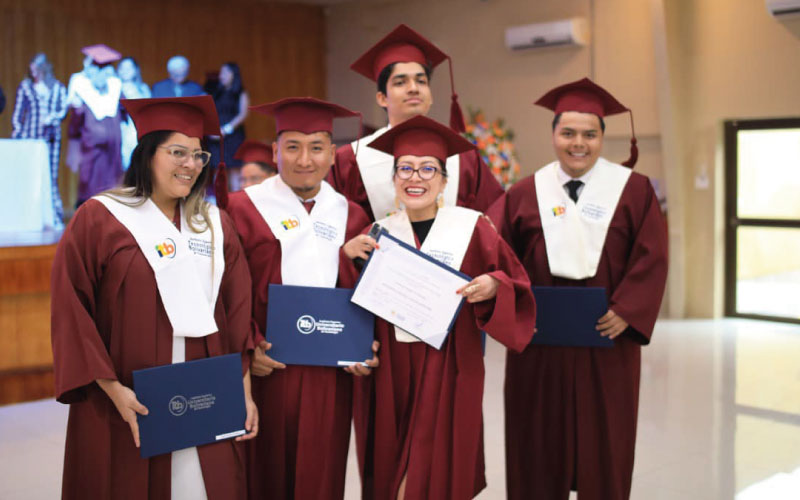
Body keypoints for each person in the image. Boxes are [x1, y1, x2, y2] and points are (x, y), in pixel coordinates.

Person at [51, 95, 258, 499]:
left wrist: (244, 393)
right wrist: (112, 389)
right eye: (177, 152)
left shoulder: (215, 225)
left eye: (198, 155)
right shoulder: (100, 218)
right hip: (128, 400)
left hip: (205, 399)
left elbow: (237, 313)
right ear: (147, 154)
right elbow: (71, 309)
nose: (190, 165)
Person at [488, 78, 668, 500]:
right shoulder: (524, 192)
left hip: (607, 338)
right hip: (539, 342)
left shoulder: (634, 190)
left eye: (590, 134)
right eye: (568, 133)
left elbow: (652, 256)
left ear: (603, 136)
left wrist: (628, 309)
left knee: (605, 439)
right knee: (535, 438)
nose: (578, 143)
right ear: (553, 135)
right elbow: (499, 257)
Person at [344, 115, 536, 499]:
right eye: (405, 169)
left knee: (430, 470)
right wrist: (345, 257)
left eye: (428, 168)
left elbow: (517, 282)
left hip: (450, 367)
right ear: (394, 179)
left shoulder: (473, 226)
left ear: (445, 180)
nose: (416, 178)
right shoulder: (375, 234)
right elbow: (350, 306)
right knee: (391, 466)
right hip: (391, 374)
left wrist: (492, 284)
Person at [225, 97, 378, 500]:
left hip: (330, 373)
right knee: (261, 470)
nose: (304, 159)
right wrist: (245, 348)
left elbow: (366, 294)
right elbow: (225, 291)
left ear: (332, 152)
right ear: (275, 152)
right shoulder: (241, 209)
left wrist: (366, 343)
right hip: (265, 366)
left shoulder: (352, 215)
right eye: (292, 146)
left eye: (316, 146)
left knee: (322, 469)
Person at [327, 24, 504, 221]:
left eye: (421, 81)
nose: (413, 88)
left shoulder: (463, 157)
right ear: (382, 98)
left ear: (431, 95)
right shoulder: (351, 159)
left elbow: (494, 218)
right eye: (400, 82)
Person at [11, 53, 69, 227]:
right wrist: (18, 132)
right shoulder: (27, 87)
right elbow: (18, 113)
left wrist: (54, 117)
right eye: (32, 68)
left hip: (50, 139)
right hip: (31, 139)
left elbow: (63, 110)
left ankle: (55, 216)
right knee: (30, 176)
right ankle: (28, 216)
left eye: (37, 67)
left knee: (51, 176)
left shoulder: (57, 88)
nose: (33, 71)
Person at [65, 44, 124, 206]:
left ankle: (110, 208)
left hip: (113, 141)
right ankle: (87, 207)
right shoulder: (81, 85)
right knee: (89, 176)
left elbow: (123, 110)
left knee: (111, 175)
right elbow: (76, 116)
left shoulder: (115, 85)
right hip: (91, 140)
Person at [208, 62, 249, 186]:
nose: (222, 76)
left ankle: (236, 202)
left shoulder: (240, 92)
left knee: (235, 170)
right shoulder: (216, 92)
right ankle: (220, 202)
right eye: (221, 73)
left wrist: (225, 130)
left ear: (233, 74)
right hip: (216, 137)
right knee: (218, 170)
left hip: (233, 136)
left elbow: (243, 114)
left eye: (225, 73)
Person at [117, 57, 151, 170]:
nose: (125, 71)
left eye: (129, 67)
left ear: (136, 70)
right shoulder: (114, 88)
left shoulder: (143, 88)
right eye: (122, 68)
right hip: (122, 130)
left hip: (140, 131)